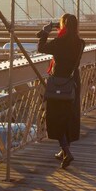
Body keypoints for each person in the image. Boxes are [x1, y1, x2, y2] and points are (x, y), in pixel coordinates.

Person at [37, 13, 85, 169]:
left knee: (56, 117)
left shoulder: (59, 42)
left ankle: (66, 152)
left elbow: (41, 48)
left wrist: (45, 32)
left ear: (63, 26)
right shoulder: (80, 43)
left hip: (58, 83)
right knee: (69, 116)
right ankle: (64, 150)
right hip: (73, 83)